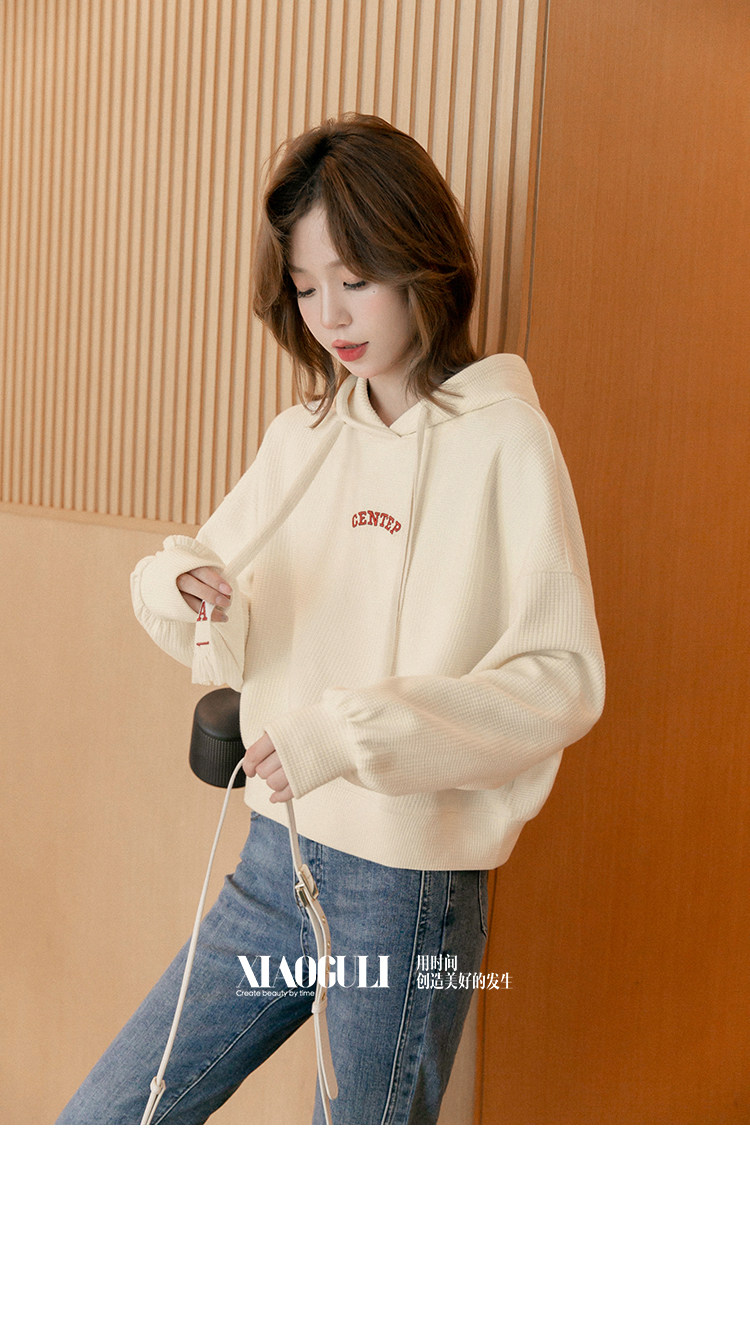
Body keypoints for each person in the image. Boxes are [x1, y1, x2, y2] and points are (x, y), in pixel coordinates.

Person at [56, 113, 605, 1126]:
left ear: (421, 260)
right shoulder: (303, 437)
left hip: (407, 893)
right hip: (276, 860)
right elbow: (189, 577)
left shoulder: (506, 441)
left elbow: (560, 679)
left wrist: (346, 733)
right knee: (106, 1121)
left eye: (353, 278)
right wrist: (184, 584)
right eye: (306, 287)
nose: (330, 315)